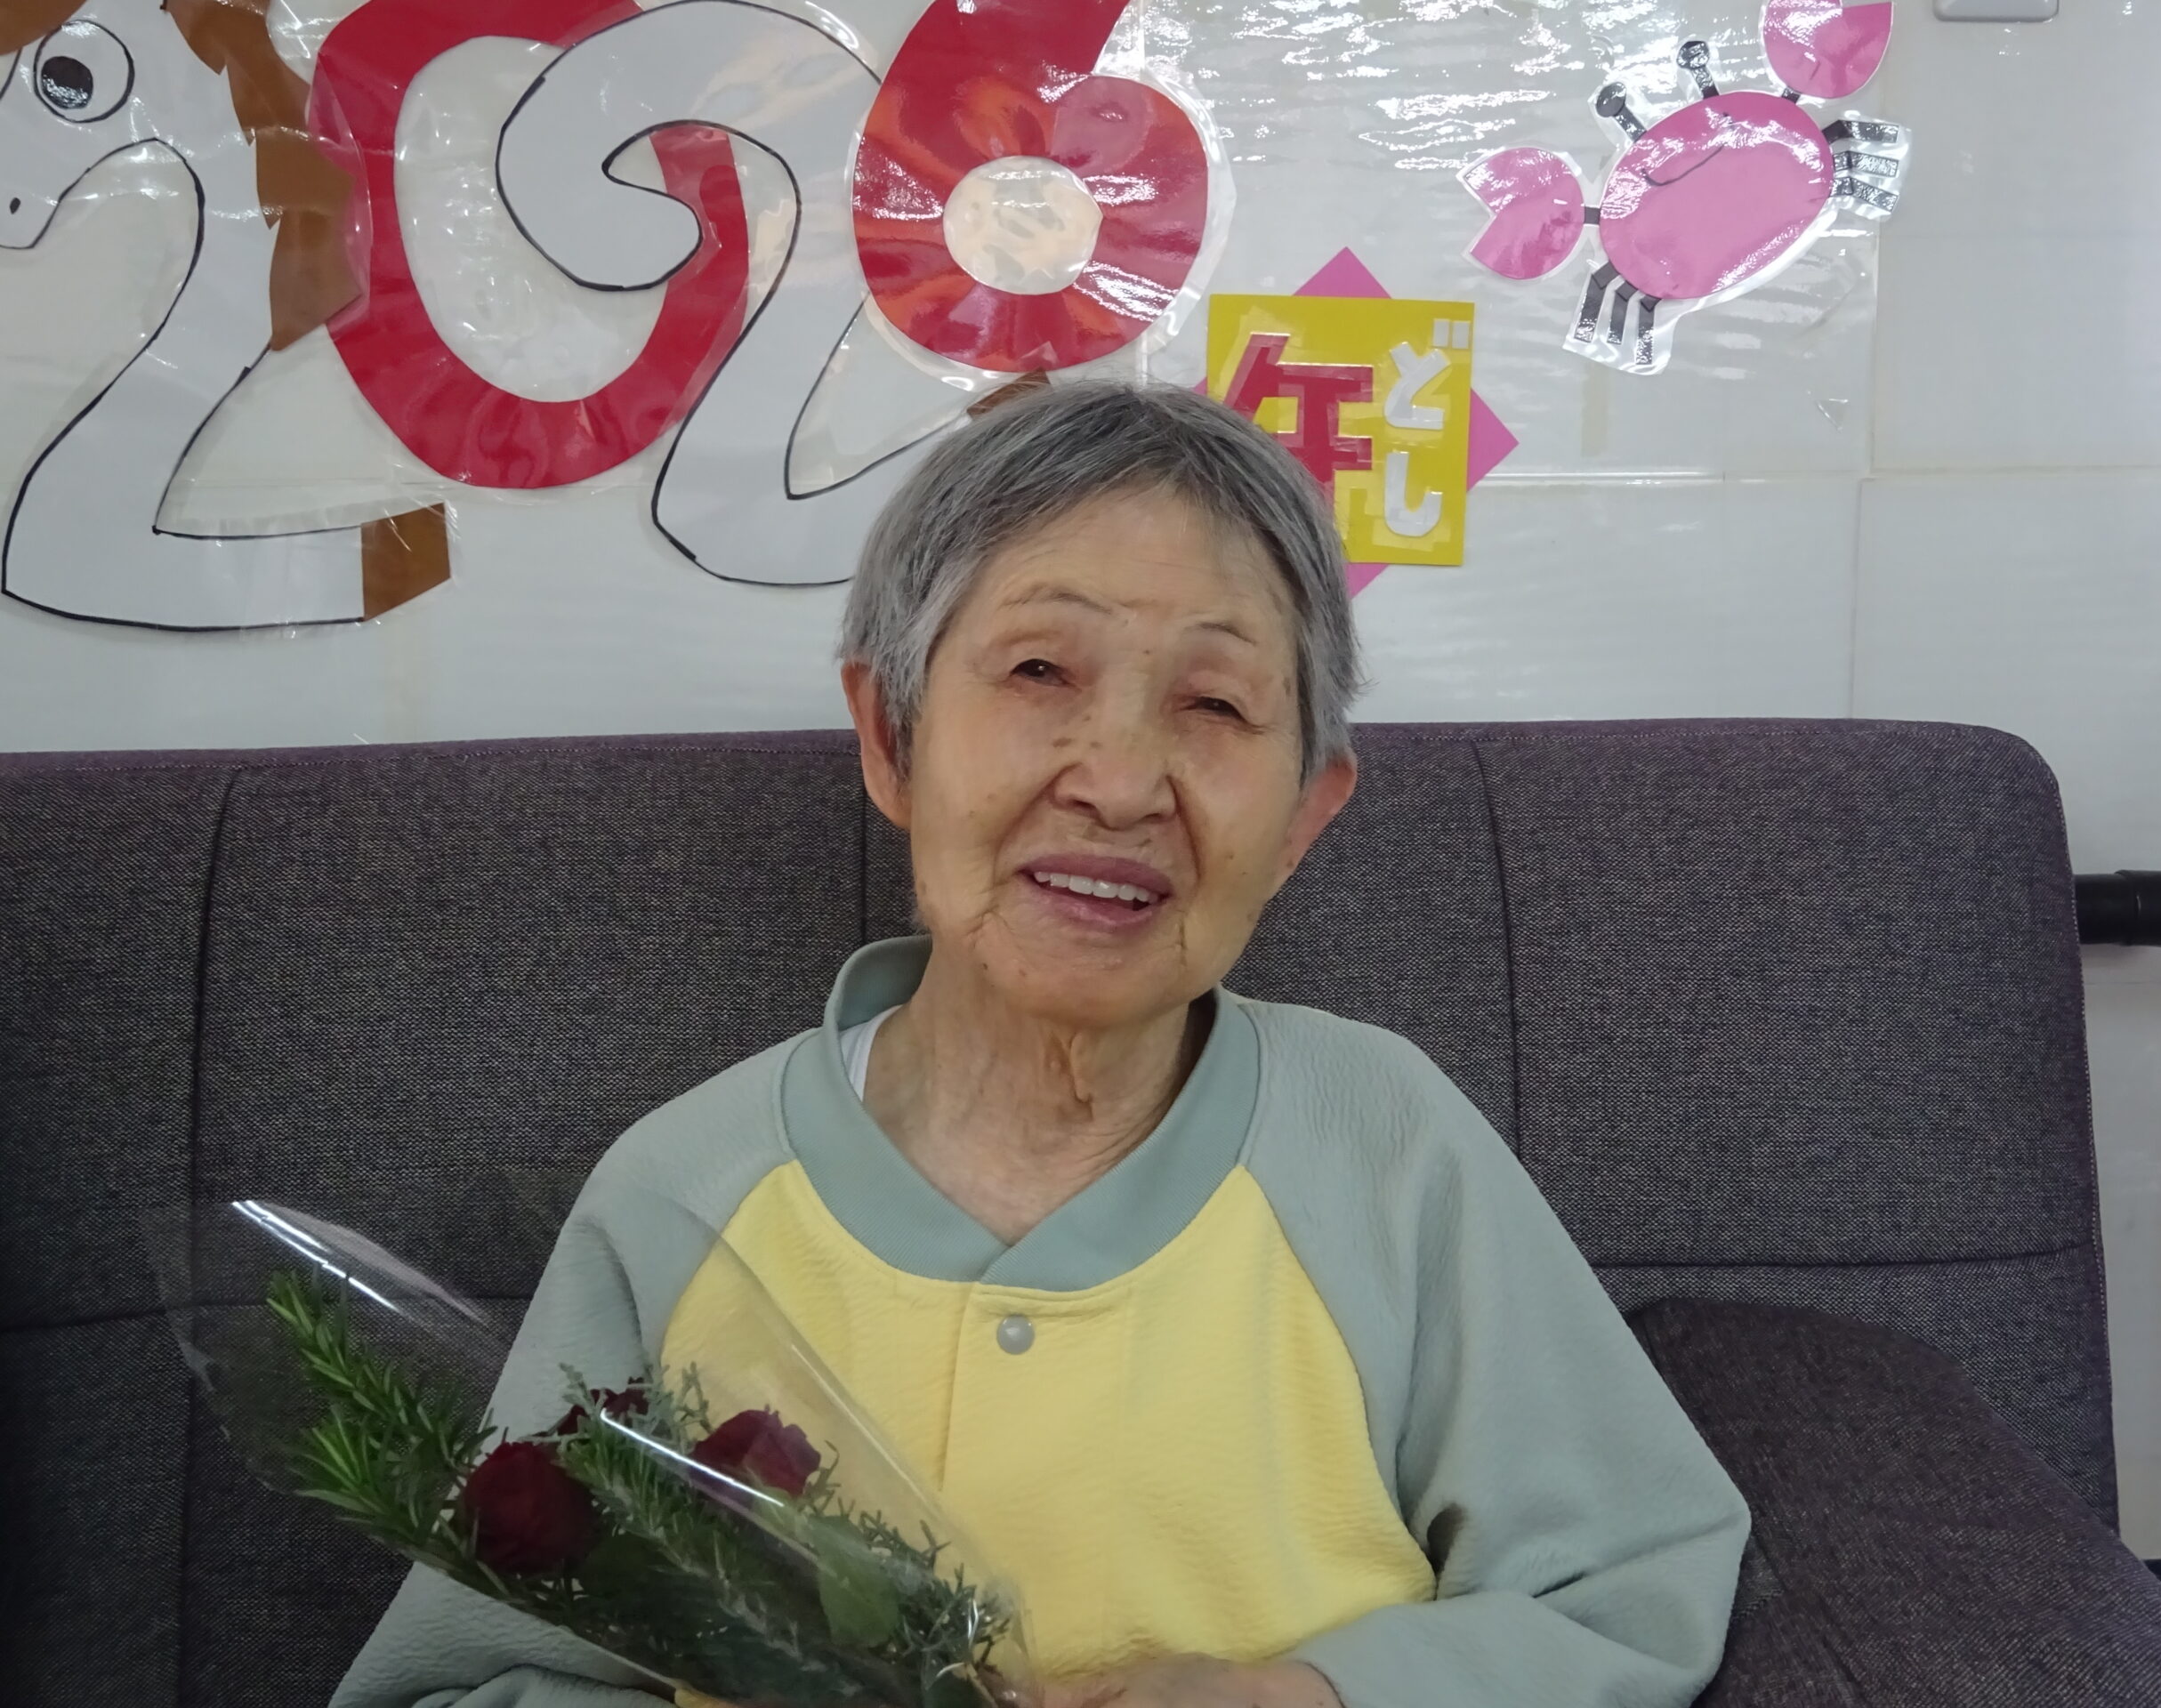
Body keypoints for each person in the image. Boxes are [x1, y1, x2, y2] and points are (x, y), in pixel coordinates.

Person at [335, 382, 1748, 1708]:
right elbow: (474, 1679)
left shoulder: (1385, 1144)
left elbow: (1630, 1590)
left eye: (1214, 703)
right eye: (1038, 670)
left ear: (1305, 815)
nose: (1120, 782)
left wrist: (1308, 1696)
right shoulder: (681, 1196)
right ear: (890, 738)